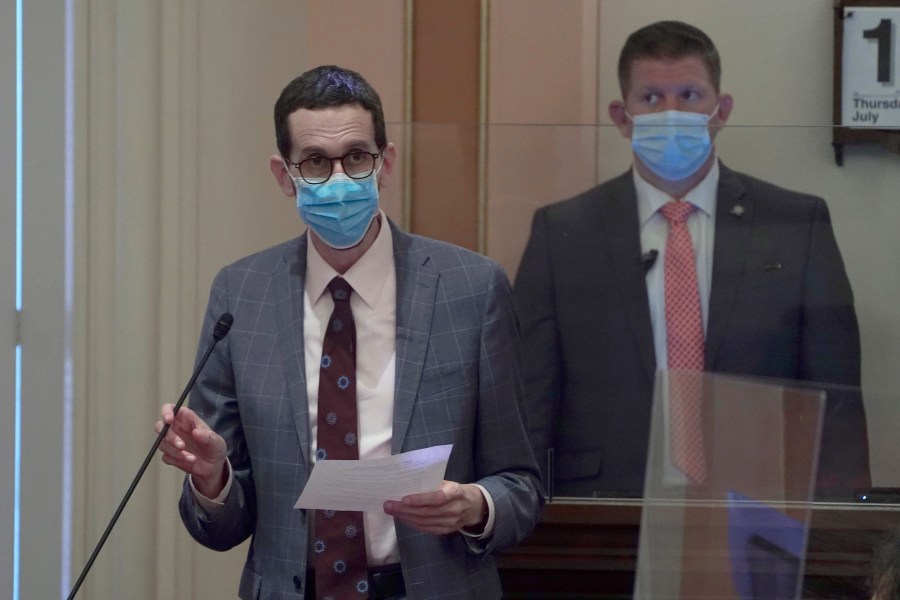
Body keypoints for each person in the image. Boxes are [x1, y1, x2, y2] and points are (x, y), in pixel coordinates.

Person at [155, 65, 542, 599]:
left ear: (386, 164)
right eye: (315, 162)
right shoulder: (241, 294)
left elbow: (521, 485)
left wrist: (476, 505)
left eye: (357, 157)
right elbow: (221, 527)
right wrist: (213, 477)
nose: (339, 179)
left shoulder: (471, 290)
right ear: (284, 175)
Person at [513, 20, 870, 500]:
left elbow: (836, 396)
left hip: (760, 505)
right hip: (601, 508)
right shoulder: (563, 232)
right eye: (652, 99)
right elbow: (532, 396)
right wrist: (520, 513)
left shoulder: (795, 223)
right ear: (622, 116)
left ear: (720, 111)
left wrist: (841, 522)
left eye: (689, 95)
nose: (672, 112)